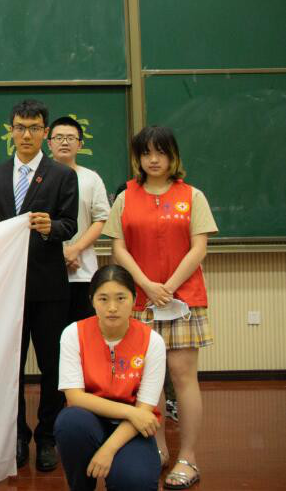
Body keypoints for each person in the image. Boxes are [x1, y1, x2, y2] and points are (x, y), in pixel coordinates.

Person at [102, 126, 216, 490]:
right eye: (146, 153)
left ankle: (188, 457)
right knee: (148, 380)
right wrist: (147, 285)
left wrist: (169, 286)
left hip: (183, 301)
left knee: (183, 378)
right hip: (141, 300)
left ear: (173, 156)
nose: (153, 160)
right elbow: (118, 248)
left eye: (161, 152)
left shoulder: (192, 195)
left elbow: (199, 247)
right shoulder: (125, 197)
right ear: (137, 158)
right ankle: (159, 449)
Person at [0, 99, 78, 472]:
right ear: (11, 131)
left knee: (53, 365)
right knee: (11, 366)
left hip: (49, 284)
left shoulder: (62, 175)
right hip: (7, 287)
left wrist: (52, 227)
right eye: (20, 127)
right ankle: (18, 435)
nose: (26, 135)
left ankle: (48, 436)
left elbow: (70, 224)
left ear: (45, 132)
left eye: (34, 128)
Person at [55, 264, 166, 491]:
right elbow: (75, 398)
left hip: (132, 428)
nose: (112, 308)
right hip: (90, 420)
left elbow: (144, 409)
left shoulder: (152, 341)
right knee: (70, 423)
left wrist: (108, 450)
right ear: (92, 301)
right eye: (103, 299)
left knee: (135, 481)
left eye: (121, 298)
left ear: (134, 300)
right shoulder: (73, 334)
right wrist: (131, 412)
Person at [48, 116, 111, 322]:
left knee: (82, 333)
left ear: (80, 144)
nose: (64, 142)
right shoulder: (37, 178)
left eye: (71, 138)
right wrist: (60, 254)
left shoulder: (91, 178)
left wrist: (75, 249)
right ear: (49, 143)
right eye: (59, 137)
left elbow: (101, 219)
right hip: (46, 272)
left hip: (83, 272)